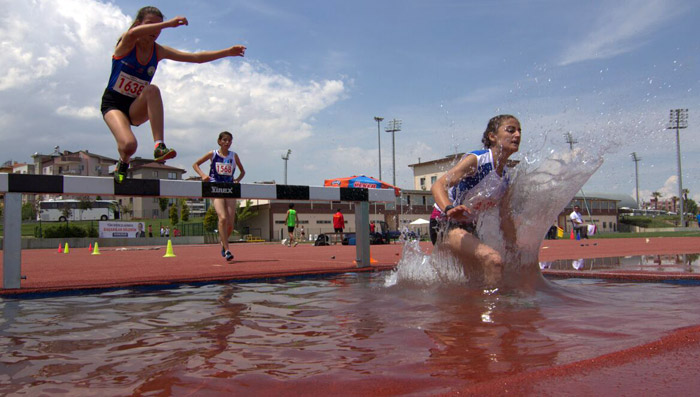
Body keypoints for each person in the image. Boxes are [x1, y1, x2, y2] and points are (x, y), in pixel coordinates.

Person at [102, 6, 246, 183]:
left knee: (152, 90)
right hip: (114, 104)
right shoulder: (127, 43)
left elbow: (196, 58)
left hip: (135, 106)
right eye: (151, 25)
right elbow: (132, 34)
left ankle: (159, 146)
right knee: (129, 145)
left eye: (158, 28)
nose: (155, 30)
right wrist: (167, 24)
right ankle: (123, 162)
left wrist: (226, 52)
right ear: (139, 24)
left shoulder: (159, 51)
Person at [430, 114, 521, 287]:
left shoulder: (506, 178)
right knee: (493, 260)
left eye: (519, 131)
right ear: (492, 136)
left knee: (478, 277)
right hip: (444, 223)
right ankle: (494, 309)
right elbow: (438, 185)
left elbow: (505, 218)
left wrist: (513, 248)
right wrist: (449, 208)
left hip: (469, 228)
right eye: (510, 130)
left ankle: (474, 309)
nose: (517, 135)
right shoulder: (478, 160)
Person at [193, 131, 246, 261]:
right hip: (215, 188)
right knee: (222, 218)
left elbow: (242, 171)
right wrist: (203, 175)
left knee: (230, 224)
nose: (227, 143)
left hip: (229, 189)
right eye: (224, 140)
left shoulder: (234, 156)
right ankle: (227, 250)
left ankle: (223, 243)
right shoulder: (213, 154)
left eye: (229, 141)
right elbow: (195, 164)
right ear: (219, 141)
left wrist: (237, 180)